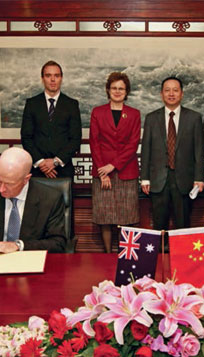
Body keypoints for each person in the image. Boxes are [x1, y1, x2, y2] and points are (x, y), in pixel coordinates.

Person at [141, 76, 204, 231]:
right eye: (167, 90)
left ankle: (181, 255)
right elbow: (146, 150)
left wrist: (199, 178)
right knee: (159, 224)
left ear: (182, 94)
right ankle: (160, 253)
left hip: (184, 180)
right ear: (161, 94)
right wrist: (144, 178)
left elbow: (199, 150)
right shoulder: (151, 118)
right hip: (158, 180)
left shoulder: (194, 118)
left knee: (182, 223)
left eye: (175, 90)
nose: (171, 94)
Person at [89, 72, 141, 253]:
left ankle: (125, 256)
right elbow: (94, 143)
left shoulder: (134, 114)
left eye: (121, 88)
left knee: (126, 217)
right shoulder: (97, 112)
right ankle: (108, 256)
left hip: (126, 172)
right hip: (102, 173)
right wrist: (104, 173)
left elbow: (133, 144)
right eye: (114, 88)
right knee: (105, 217)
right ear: (108, 90)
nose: (117, 92)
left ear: (127, 92)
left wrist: (113, 165)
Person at [21, 60, 82, 179]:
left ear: (61, 78)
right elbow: (26, 137)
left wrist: (55, 162)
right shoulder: (32, 104)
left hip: (63, 170)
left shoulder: (72, 104)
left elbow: (75, 139)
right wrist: (41, 163)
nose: (53, 80)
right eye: (48, 75)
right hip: (38, 171)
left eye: (56, 76)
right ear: (42, 78)